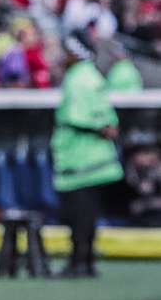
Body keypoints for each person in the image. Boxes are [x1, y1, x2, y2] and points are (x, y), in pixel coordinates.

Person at [51, 31, 124, 278]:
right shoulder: (92, 75)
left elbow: (80, 117)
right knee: (89, 217)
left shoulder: (78, 78)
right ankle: (86, 261)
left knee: (78, 216)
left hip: (80, 162)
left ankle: (79, 263)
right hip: (96, 161)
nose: (63, 56)